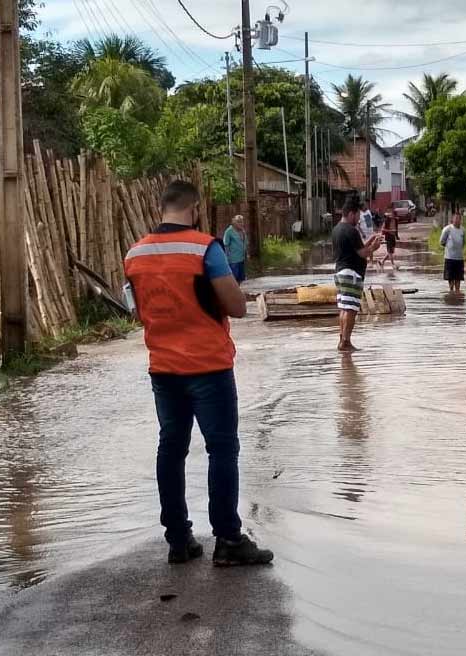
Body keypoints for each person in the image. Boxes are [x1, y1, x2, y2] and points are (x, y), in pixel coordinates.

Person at [123, 180, 273, 567]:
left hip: (164, 368)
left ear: (162, 206)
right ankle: (227, 540)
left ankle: (178, 540)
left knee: (170, 449)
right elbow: (236, 306)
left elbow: (139, 311)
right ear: (194, 208)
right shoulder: (204, 247)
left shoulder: (134, 254)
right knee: (221, 449)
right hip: (208, 366)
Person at [333, 196, 383, 351]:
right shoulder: (351, 230)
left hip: (341, 271)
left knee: (344, 308)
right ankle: (346, 342)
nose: (359, 220)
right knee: (351, 309)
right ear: (351, 214)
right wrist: (374, 247)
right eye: (358, 216)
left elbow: (355, 249)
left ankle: (342, 339)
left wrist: (369, 242)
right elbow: (362, 253)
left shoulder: (337, 229)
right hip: (351, 274)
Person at [440, 212, 466, 293]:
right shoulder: (447, 229)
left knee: (458, 277)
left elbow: (464, 242)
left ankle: (457, 292)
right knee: (450, 277)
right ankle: (451, 291)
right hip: (449, 257)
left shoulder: (463, 230)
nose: (457, 220)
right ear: (452, 219)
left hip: (459, 257)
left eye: (459, 218)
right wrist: (449, 248)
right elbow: (442, 241)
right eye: (456, 218)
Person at [222, 215, 248, 284]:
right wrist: (227, 259)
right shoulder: (229, 231)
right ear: (234, 222)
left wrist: (246, 255)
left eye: (242, 222)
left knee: (241, 278)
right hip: (233, 260)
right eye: (239, 222)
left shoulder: (243, 231)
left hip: (241, 259)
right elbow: (225, 245)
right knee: (234, 279)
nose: (241, 224)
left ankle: (238, 292)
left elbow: (245, 243)